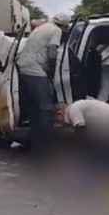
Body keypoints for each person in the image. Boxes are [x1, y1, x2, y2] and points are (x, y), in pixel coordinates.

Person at [16, 12, 70, 151]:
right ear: (63, 26)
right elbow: (52, 53)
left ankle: (35, 143)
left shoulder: (43, 27)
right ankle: (46, 144)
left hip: (24, 68)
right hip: (35, 70)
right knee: (45, 108)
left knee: (34, 109)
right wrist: (51, 73)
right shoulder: (56, 30)